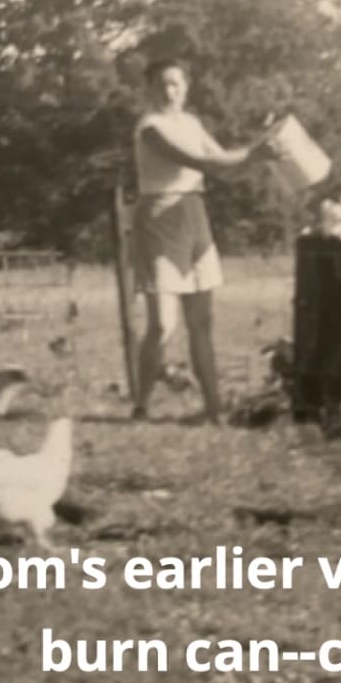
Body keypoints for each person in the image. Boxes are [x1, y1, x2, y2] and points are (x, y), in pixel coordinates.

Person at [130, 57, 273, 424]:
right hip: (159, 216)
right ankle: (141, 405)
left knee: (202, 320)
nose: (169, 91)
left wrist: (262, 147)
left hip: (194, 214)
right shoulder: (150, 127)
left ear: (186, 88)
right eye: (161, 84)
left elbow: (221, 157)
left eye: (175, 84)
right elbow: (199, 162)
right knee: (162, 323)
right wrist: (256, 153)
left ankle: (213, 409)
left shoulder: (192, 123)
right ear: (149, 89)